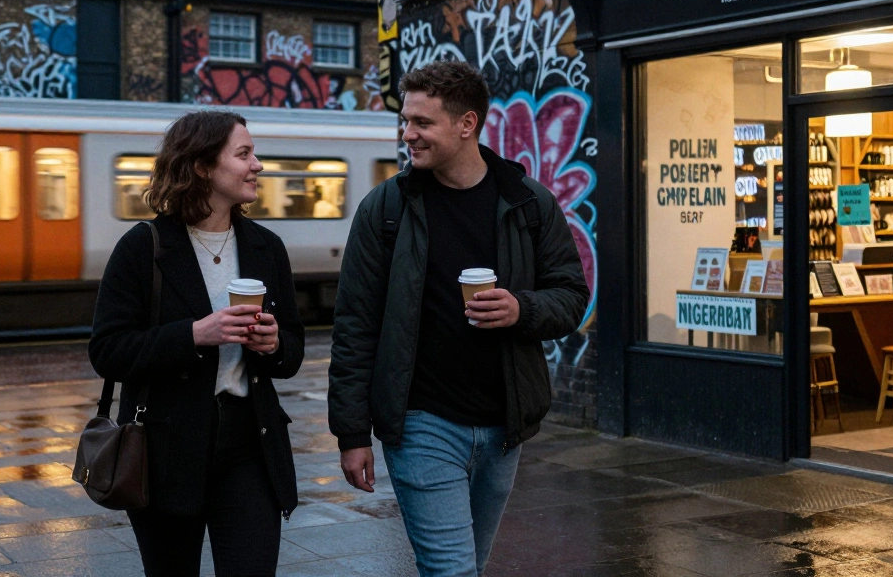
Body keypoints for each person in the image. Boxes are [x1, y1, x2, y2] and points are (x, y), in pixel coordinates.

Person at [328, 60, 589, 577]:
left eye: (422, 123)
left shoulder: (528, 202)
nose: (409, 135)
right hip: (422, 423)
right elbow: (354, 325)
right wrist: (352, 433)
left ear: (466, 124)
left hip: (504, 425)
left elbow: (571, 295)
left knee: (469, 564)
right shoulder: (386, 209)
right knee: (452, 570)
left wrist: (521, 308)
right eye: (406, 121)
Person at [90, 110, 304, 577]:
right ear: (203, 166)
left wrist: (272, 345)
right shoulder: (143, 246)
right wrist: (194, 335)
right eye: (244, 154)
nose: (258, 165)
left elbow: (292, 349)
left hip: (250, 444)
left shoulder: (266, 246)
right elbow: (107, 350)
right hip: (165, 451)